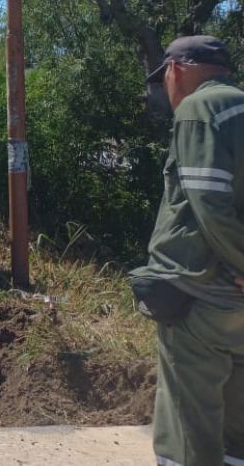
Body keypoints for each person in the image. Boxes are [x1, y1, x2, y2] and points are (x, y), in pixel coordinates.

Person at [131, 35, 244, 466]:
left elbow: (207, 201)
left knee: (187, 429)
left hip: (202, 298)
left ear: (176, 69)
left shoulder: (201, 110)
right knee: (237, 428)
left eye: (165, 79)